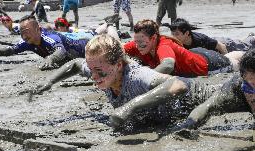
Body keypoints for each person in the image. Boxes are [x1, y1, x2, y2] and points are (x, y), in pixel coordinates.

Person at [30, 34, 220, 130]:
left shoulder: (138, 77)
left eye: (99, 72)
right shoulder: (99, 68)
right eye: (92, 69)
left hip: (202, 97)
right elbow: (76, 65)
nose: (94, 77)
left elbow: (179, 85)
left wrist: (130, 107)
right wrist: (49, 81)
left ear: (119, 65)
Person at [124, 19, 244, 77]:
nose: (138, 46)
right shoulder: (139, 43)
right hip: (193, 53)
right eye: (136, 42)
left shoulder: (163, 45)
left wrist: (145, 77)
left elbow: (168, 65)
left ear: (154, 38)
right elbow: (117, 48)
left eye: (142, 43)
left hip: (208, 65)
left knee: (237, 63)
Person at [176, 47, 255, 131]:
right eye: (248, 87)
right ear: (243, 78)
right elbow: (207, 107)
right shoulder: (233, 90)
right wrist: (187, 126)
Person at [0, 15, 89, 71]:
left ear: (38, 30)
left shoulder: (49, 37)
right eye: (21, 33)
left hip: (85, 46)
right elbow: (11, 50)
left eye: (27, 32)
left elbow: (61, 51)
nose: (24, 36)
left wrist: (51, 58)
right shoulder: (27, 41)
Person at [168, 18, 255, 54]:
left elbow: (221, 46)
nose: (174, 37)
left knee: (247, 46)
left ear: (187, 33)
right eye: (173, 34)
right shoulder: (177, 42)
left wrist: (227, 60)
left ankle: (252, 38)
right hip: (214, 45)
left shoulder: (200, 39)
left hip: (224, 44)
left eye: (177, 34)